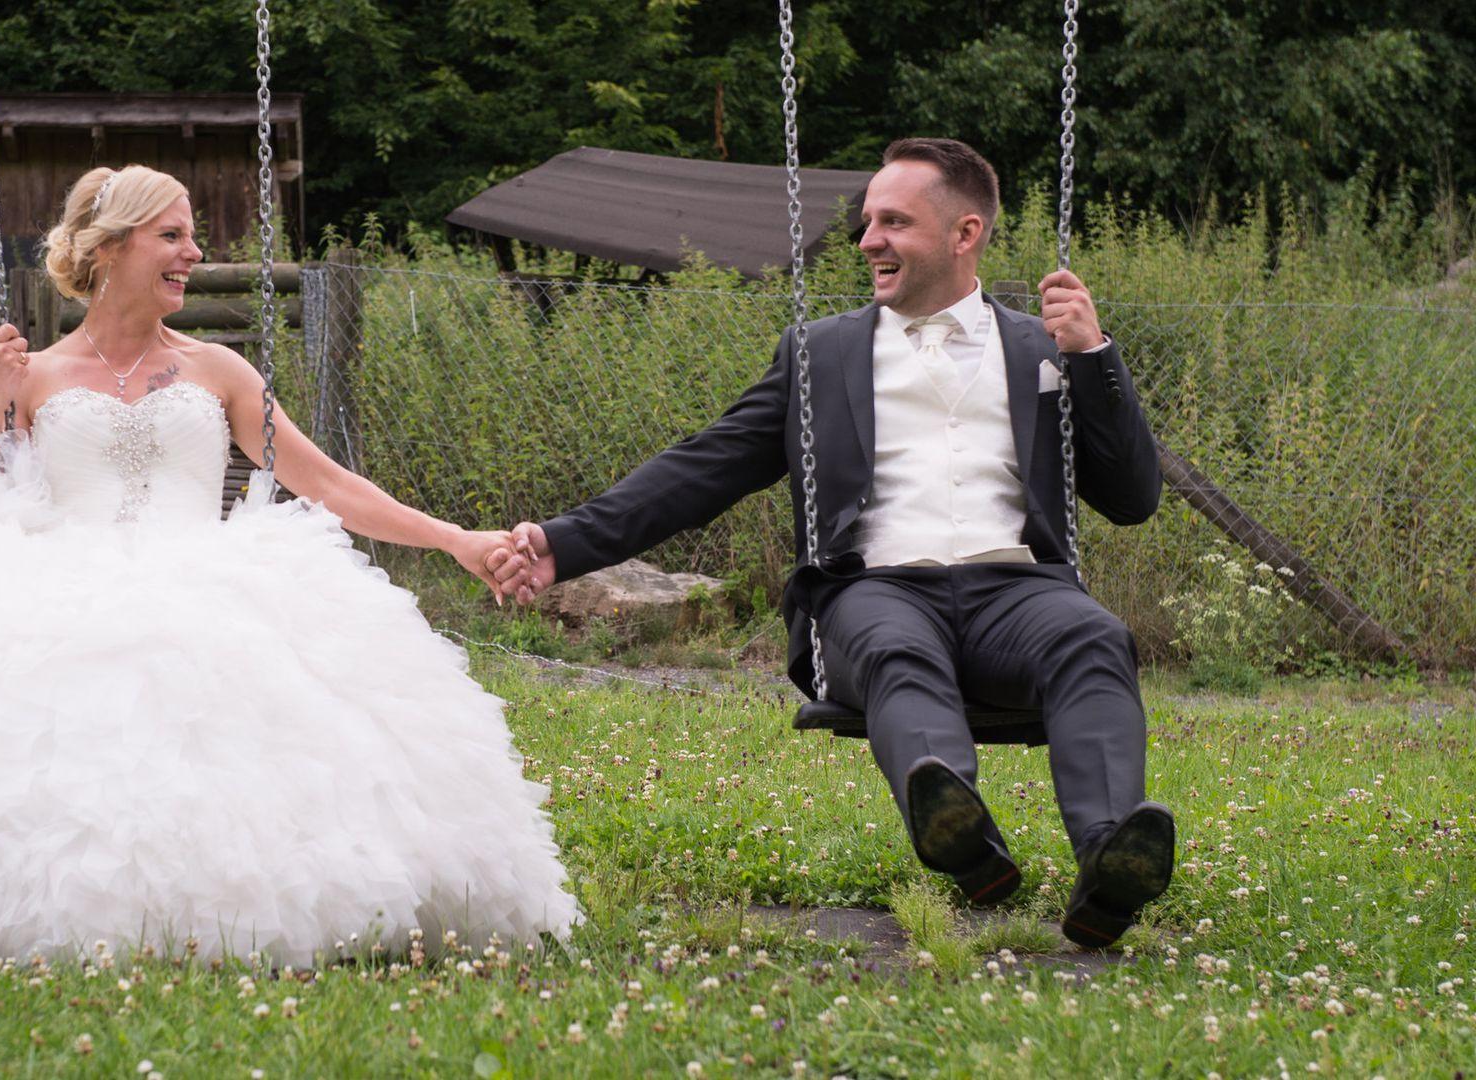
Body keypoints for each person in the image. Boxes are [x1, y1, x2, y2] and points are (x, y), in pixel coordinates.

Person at [0, 165, 579, 965]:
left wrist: (458, 541)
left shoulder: (220, 370)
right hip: (64, 588)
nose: (195, 254)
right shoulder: (36, 373)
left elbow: (326, 483)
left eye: (191, 236)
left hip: (207, 583)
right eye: (173, 236)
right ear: (113, 248)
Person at [490, 138, 1172, 949]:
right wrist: (562, 545)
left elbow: (1131, 498)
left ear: (965, 234)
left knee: (1094, 636)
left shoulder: (1043, 349)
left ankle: (1111, 861)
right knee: (893, 647)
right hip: (875, 588)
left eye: (893, 221)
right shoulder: (821, 355)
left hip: (1016, 592)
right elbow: (702, 469)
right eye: (866, 221)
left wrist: (1094, 358)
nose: (867, 240)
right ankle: (961, 833)